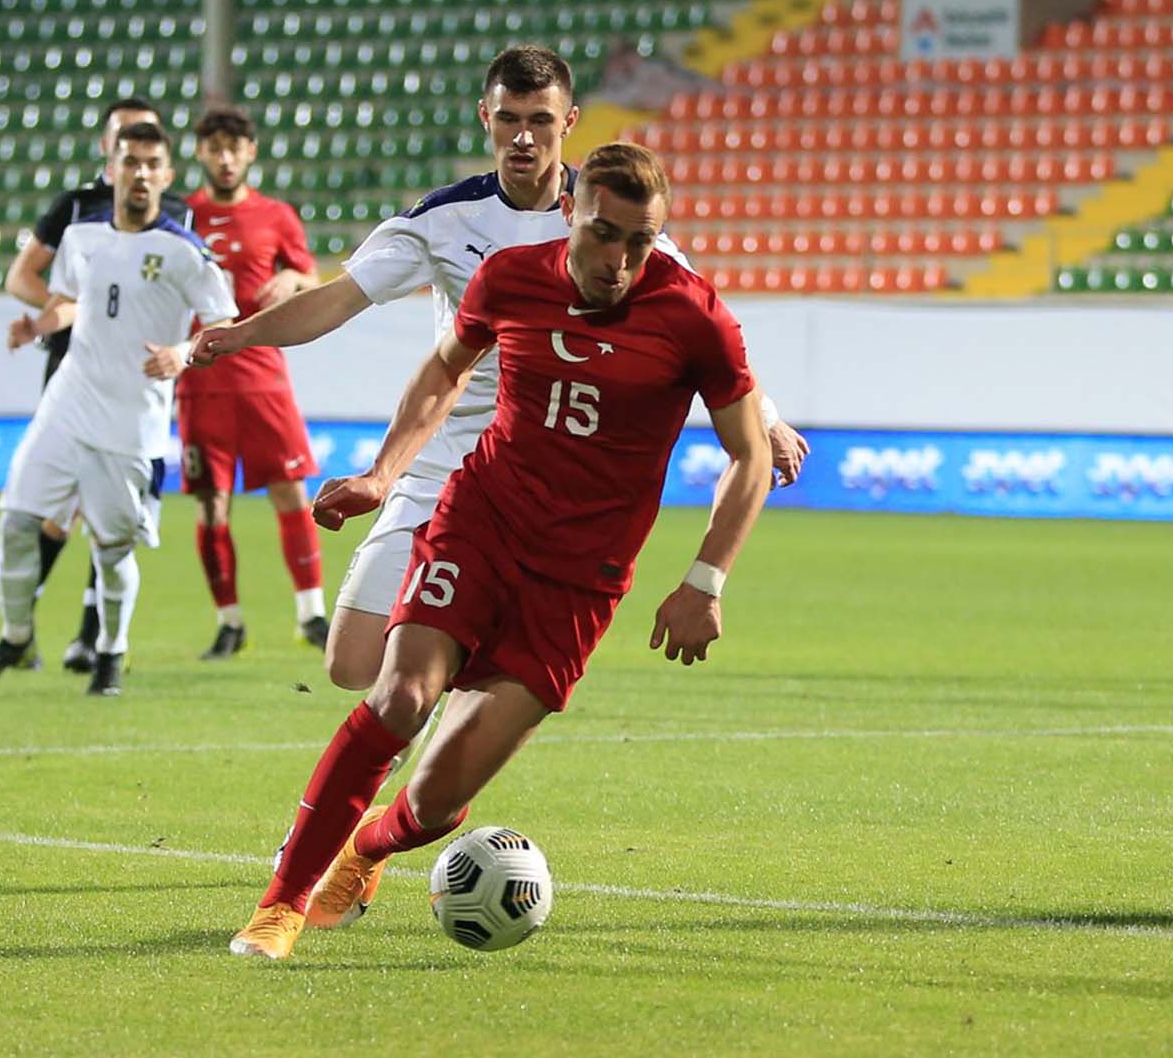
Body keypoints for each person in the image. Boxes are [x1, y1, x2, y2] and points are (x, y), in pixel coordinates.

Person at [227, 142, 772, 959]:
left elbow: (750, 451)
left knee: (439, 800)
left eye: (641, 240)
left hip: (580, 580)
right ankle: (280, 906)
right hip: (480, 523)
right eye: (602, 234)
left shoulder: (694, 315)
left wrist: (705, 579)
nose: (619, 261)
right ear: (567, 213)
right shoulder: (510, 279)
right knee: (399, 696)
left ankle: (368, 849)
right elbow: (445, 369)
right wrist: (384, 474)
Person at [192, 45, 809, 701]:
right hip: (443, 454)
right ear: (484, 116)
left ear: (568, 122)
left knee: (425, 675)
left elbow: (705, 325)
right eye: (508, 118)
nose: (523, 137)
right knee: (351, 661)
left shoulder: (612, 222)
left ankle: (425, 749)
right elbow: (339, 297)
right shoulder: (442, 219)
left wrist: (766, 419)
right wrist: (243, 335)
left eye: (540, 120)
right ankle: (435, 703)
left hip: (545, 468)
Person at [0, 122, 237, 696]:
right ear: (111, 169)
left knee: (112, 550)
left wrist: (183, 354)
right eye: (129, 161)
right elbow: (71, 304)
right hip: (68, 403)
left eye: (151, 163)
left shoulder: (185, 252)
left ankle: (110, 650)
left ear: (166, 175)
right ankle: (17, 637)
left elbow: (224, 324)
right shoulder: (81, 237)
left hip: (131, 421)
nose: (139, 173)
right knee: (16, 522)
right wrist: (38, 324)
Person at [3, 97, 195, 676]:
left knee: (109, 515)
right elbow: (22, 276)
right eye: (122, 143)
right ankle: (24, 627)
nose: (134, 159)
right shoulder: (76, 208)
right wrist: (76, 311)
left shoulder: (179, 217)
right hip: (73, 369)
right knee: (56, 512)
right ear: (107, 152)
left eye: (146, 146)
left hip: (138, 377)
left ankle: (92, 637)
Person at [179, 107, 328, 660]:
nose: (224, 157)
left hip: (264, 376)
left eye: (233, 147)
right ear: (201, 153)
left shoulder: (276, 215)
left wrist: (292, 275)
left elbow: (310, 277)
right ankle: (229, 621)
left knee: (291, 491)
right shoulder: (182, 217)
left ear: (250, 152)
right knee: (210, 505)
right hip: (201, 379)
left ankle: (311, 613)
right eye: (214, 147)